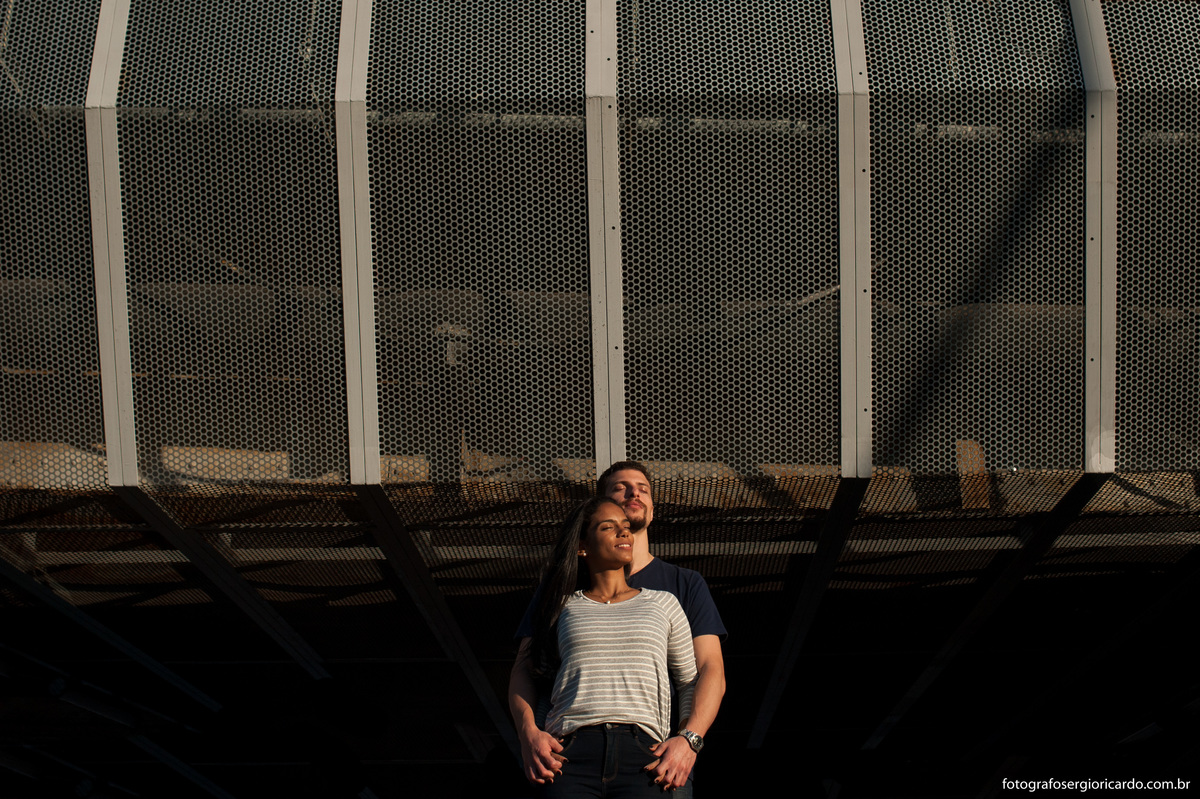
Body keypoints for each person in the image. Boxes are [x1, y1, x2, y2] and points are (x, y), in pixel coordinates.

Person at [510, 462, 727, 793]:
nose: (634, 492)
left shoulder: (677, 590)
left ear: (651, 510)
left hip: (651, 751)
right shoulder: (561, 596)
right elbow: (528, 670)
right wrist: (529, 734)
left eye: (643, 487)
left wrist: (689, 740)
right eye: (620, 488)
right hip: (570, 750)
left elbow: (704, 672)